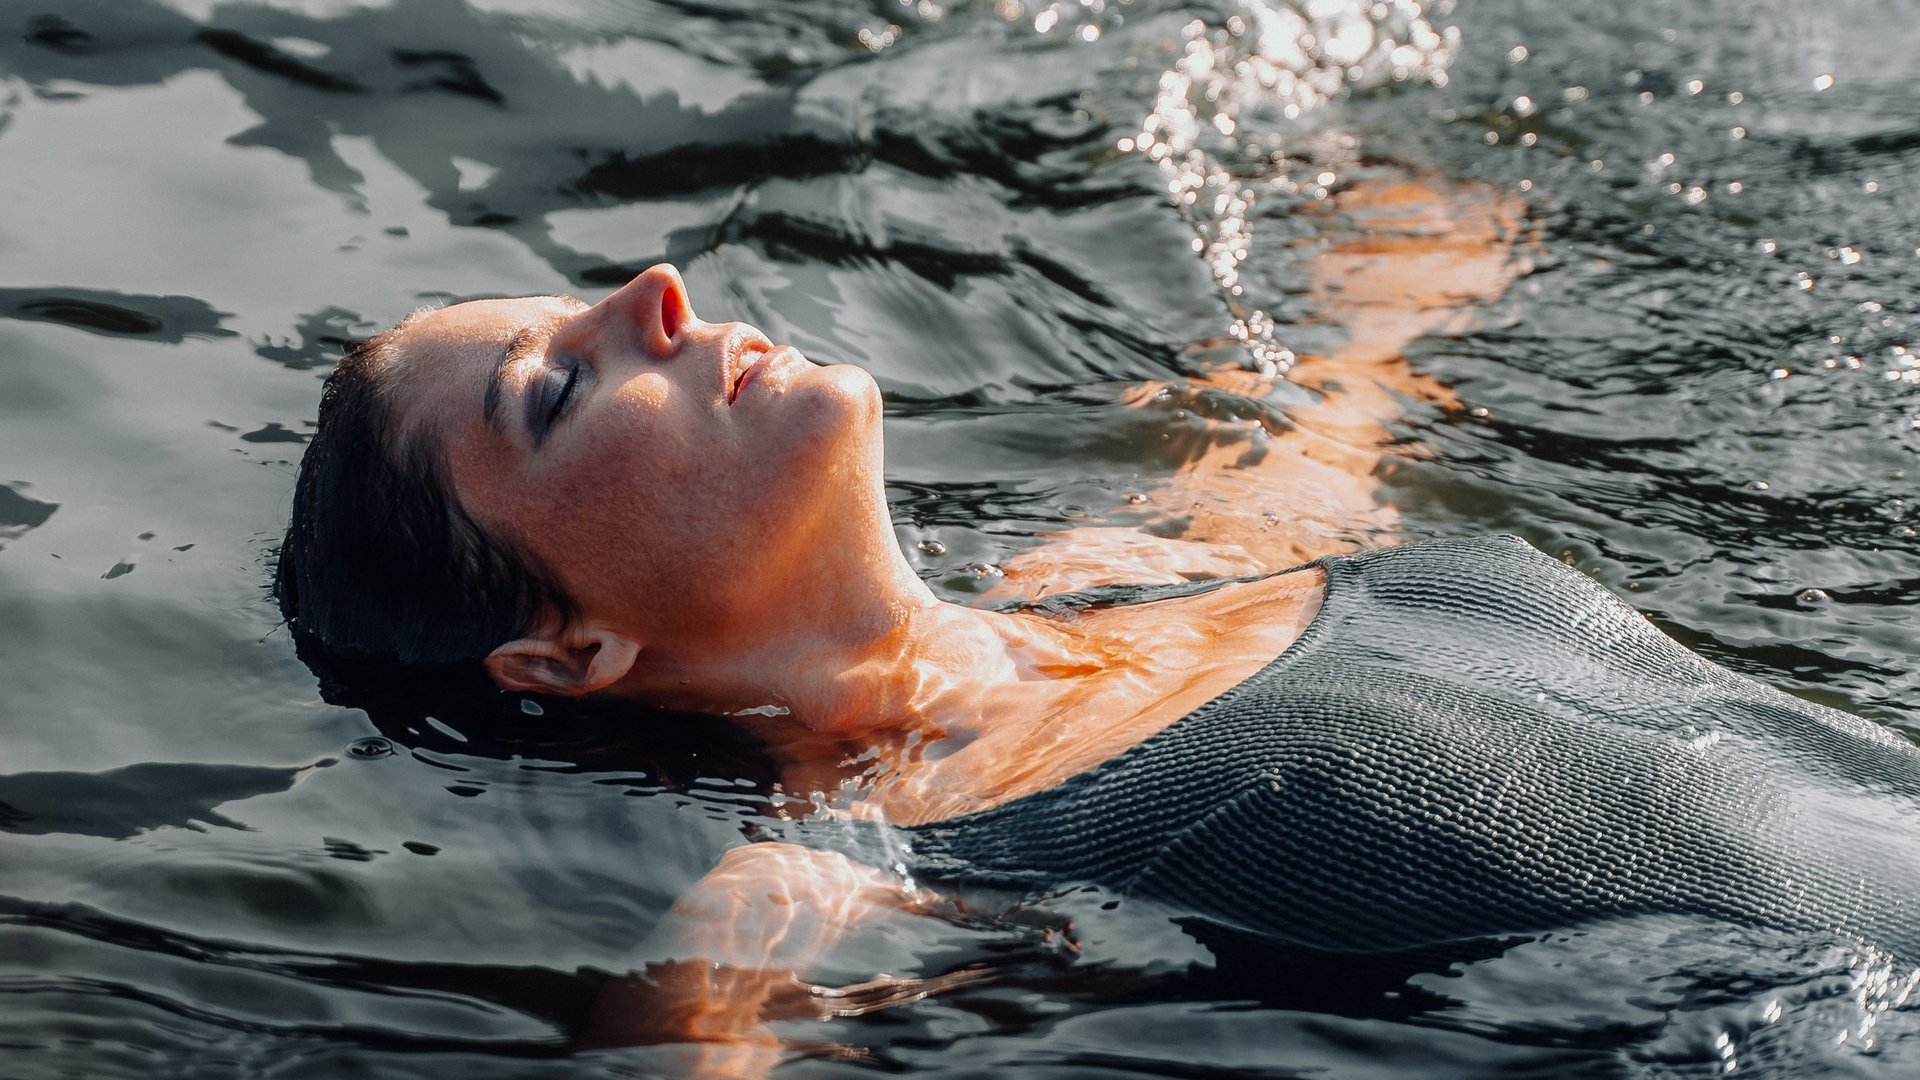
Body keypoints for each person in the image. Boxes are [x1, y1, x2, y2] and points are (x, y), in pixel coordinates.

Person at [274, 177, 1920, 1077]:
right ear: (569, 655)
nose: (654, 294)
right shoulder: (835, 873)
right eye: (556, 387)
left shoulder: (1129, 575)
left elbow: (1328, 412)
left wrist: (1393, 271)